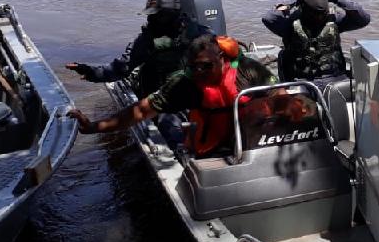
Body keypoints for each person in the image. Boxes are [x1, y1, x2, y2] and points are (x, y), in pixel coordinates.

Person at [68, 35, 273, 156]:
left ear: (222, 59)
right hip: (213, 147)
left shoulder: (248, 69)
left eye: (206, 66)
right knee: (168, 123)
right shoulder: (185, 83)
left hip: (256, 142)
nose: (200, 72)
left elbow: (281, 94)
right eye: (194, 67)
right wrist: (94, 127)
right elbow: (140, 111)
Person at [65, 0, 203, 98]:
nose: (150, 19)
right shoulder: (147, 40)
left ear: (170, 15)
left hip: (189, 87)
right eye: (150, 15)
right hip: (161, 93)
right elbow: (121, 68)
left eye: (156, 16)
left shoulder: (196, 33)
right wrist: (90, 72)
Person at [262, 0, 370, 81]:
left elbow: (269, 18)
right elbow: (363, 18)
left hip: (302, 81)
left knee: (283, 55)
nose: (318, 18)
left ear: (303, 8)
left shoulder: (291, 22)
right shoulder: (334, 20)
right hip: (335, 79)